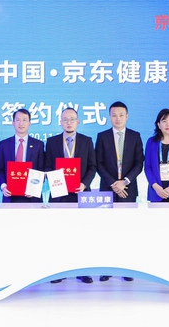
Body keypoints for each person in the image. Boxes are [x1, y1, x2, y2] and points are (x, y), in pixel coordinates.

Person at [44, 107, 97, 284]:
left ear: (78, 122)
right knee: (60, 234)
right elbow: (47, 166)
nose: (68, 122)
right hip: (59, 194)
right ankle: (58, 272)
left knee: (82, 234)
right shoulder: (51, 142)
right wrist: (55, 181)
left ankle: (83, 271)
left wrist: (84, 184)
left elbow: (92, 166)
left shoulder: (87, 141)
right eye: (65, 119)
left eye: (72, 119)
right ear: (60, 122)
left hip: (80, 193)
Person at [95, 101, 144, 282]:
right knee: (107, 230)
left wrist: (125, 182)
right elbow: (98, 163)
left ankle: (128, 268)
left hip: (128, 190)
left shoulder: (135, 136)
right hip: (108, 190)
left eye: (121, 115)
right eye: (114, 115)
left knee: (127, 230)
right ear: (109, 117)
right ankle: (107, 268)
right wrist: (113, 183)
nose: (118, 118)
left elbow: (139, 163)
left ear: (127, 116)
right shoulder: (102, 136)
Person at [0, 108, 44, 203]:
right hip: (9, 195)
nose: (21, 123)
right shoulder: (4, 144)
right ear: (13, 123)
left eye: (24, 120)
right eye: (18, 120)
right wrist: (3, 186)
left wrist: (34, 188)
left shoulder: (38, 145)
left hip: (32, 197)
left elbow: (41, 169)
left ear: (29, 123)